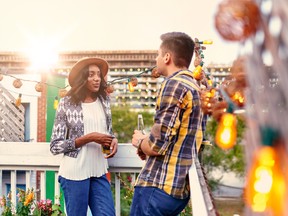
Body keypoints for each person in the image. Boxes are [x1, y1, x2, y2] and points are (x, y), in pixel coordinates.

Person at [130, 32, 204, 216]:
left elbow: (156, 146)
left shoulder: (173, 85)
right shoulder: (195, 86)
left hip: (159, 185)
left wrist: (140, 141)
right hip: (177, 188)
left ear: (167, 57)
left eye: (158, 54)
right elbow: (176, 136)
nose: (156, 59)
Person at [50, 57, 118, 216]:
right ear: (82, 78)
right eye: (91, 74)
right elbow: (55, 146)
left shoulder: (104, 101)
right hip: (74, 174)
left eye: (99, 75)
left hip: (99, 171)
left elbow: (108, 132)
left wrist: (113, 140)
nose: (97, 78)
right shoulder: (66, 102)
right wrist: (89, 138)